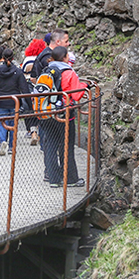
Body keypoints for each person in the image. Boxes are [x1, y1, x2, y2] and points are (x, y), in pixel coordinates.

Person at [38, 46, 87, 188]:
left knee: (51, 144)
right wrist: (83, 86)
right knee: (67, 146)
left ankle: (53, 179)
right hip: (64, 114)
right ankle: (70, 179)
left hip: (46, 113)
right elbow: (76, 95)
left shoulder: (46, 70)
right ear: (65, 57)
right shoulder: (69, 72)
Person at [0, 47, 30, 156]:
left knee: (2, 122)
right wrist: (30, 104)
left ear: (3, 58)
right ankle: (11, 146)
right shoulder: (18, 71)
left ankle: (2, 142)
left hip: (1, 101)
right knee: (13, 123)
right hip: (14, 101)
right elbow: (24, 88)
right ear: (13, 57)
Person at [20, 39, 47, 145]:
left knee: (29, 110)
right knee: (39, 108)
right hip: (40, 86)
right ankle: (40, 131)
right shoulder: (41, 59)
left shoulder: (27, 60)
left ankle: (32, 132)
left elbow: (22, 72)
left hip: (27, 86)